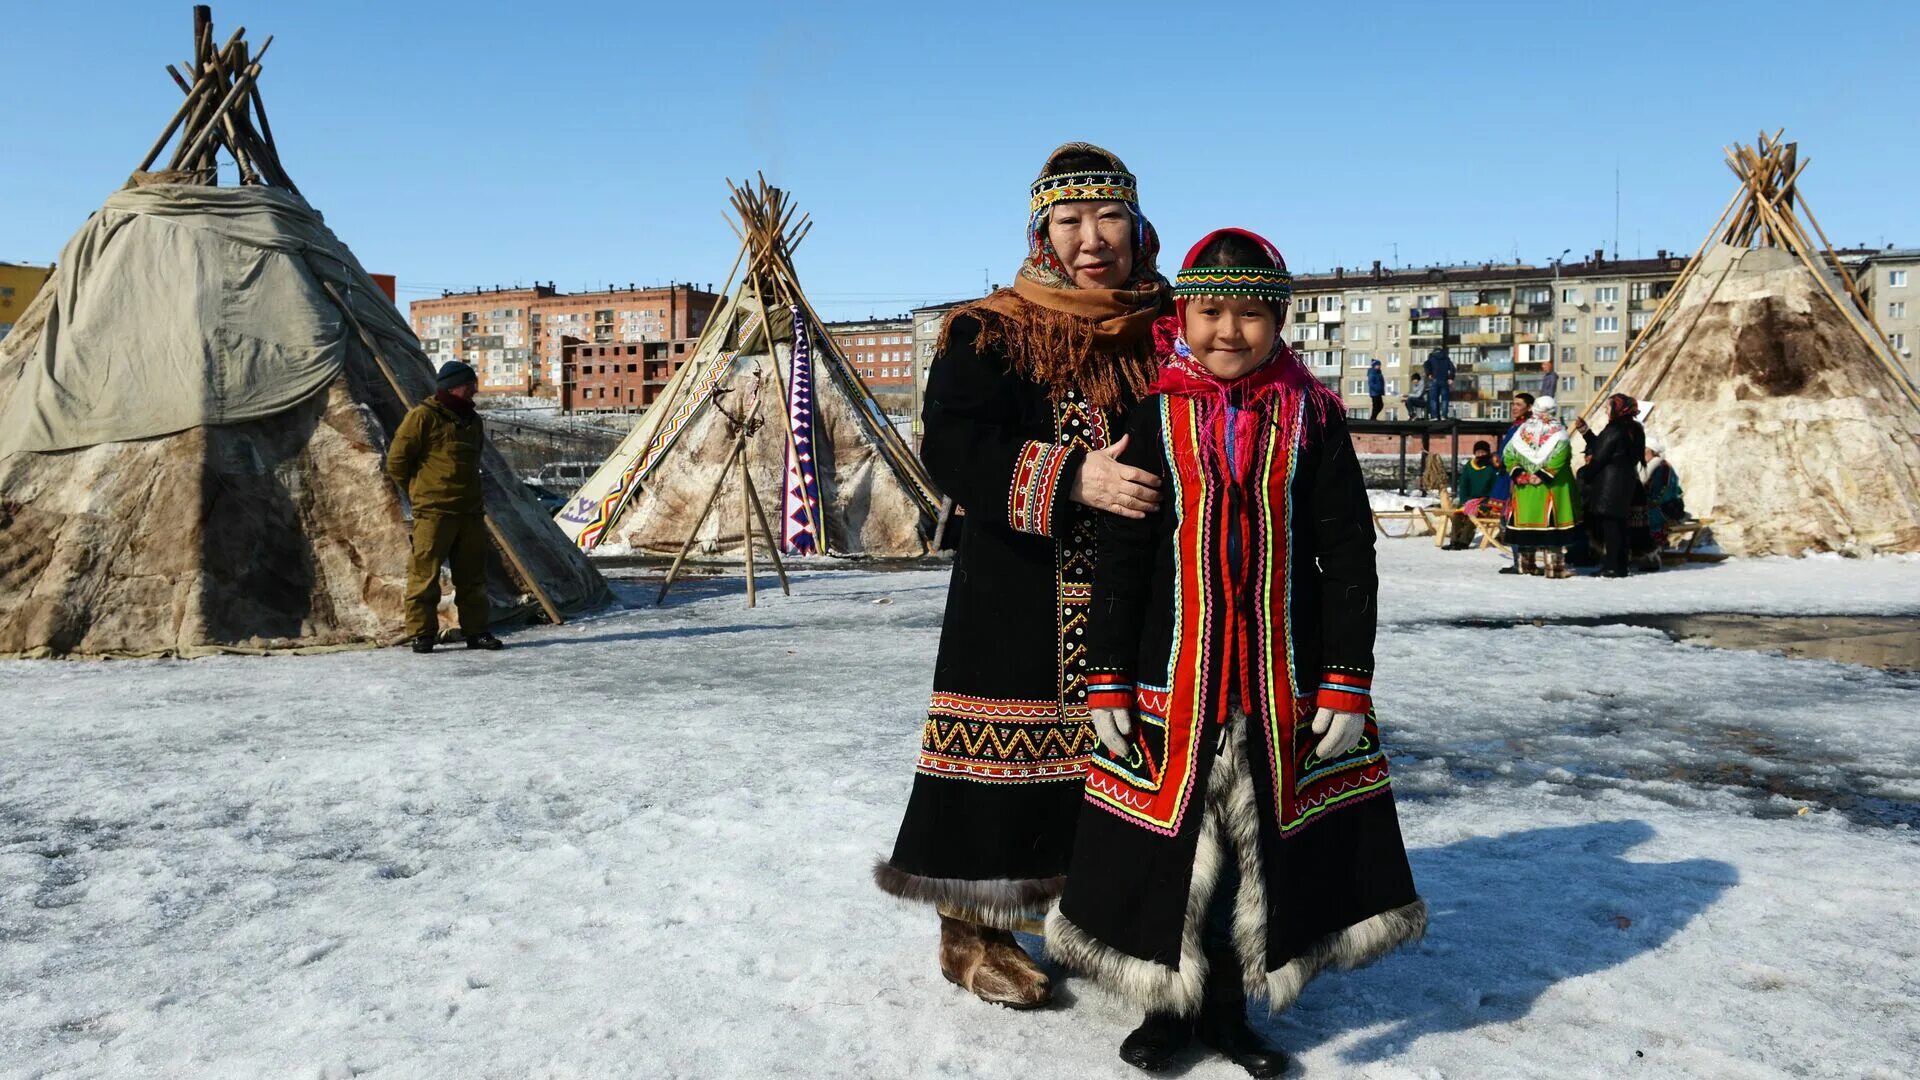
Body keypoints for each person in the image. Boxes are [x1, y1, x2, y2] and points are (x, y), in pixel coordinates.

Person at [1050, 229, 1423, 1077]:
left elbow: (1348, 558)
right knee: (1167, 847)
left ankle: (1226, 1011)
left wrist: (1346, 680)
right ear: (1183, 315)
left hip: (1277, 683)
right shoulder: (1155, 416)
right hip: (1166, 680)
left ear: (1279, 320)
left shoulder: (1313, 420)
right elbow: (1122, 559)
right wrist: (1104, 678)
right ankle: (1162, 1007)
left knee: (1255, 854)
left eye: (1250, 314)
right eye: (1210, 311)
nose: (1228, 331)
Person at [876, 143, 1172, 1009]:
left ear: (1138, 226)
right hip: (1021, 583)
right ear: (1042, 233)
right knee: (1007, 752)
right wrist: (1071, 476)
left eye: (1108, 217)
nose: (1092, 239)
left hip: (1141, 584)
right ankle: (971, 930)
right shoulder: (990, 328)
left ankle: (1102, 914)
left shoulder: (1171, 328)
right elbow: (951, 443)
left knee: (1127, 755)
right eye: (1070, 221)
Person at [384, 360, 503, 652]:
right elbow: (397, 462)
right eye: (469, 384)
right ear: (452, 386)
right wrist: (418, 491)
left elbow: (474, 459)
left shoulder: (473, 420)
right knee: (424, 576)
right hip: (434, 512)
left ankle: (476, 631)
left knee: (473, 578)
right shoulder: (422, 417)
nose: (474, 388)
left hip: (469, 511)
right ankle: (422, 633)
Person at [1501, 395, 1579, 577]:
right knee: (1552, 529)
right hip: (1552, 488)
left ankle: (1525, 565)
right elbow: (1561, 457)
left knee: (1526, 528)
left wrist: (1519, 474)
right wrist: (1543, 475)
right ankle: (1555, 568)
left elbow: (1509, 455)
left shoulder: (1522, 431)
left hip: (1525, 489)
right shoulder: (1559, 433)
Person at [1572, 394, 1647, 578]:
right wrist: (1585, 431)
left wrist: (1585, 474)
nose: (1606, 410)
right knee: (1619, 525)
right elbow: (1604, 446)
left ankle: (1612, 566)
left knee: (1611, 527)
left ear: (1618, 408)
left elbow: (1600, 455)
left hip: (1609, 484)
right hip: (1626, 481)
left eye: (1608, 407)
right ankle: (1620, 565)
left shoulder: (1615, 428)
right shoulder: (1635, 428)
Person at [1492, 393, 1532, 574]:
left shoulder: (1526, 428)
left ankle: (1523, 562)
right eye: (1513, 404)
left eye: (1518, 404)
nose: (1514, 407)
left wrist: (1505, 461)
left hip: (1516, 478)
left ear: (1529, 407)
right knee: (1508, 520)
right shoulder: (1515, 426)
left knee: (1515, 519)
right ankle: (1521, 561)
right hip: (1505, 475)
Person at [1640, 434, 1689, 565]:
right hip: (1656, 506)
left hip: (1664, 509)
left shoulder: (1662, 468)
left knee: (1639, 518)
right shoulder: (1649, 466)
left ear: (1652, 451)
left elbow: (1662, 494)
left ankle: (1649, 552)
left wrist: (1645, 502)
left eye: (1644, 449)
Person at [1446, 440, 1500, 549]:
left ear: (1487, 453)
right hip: (1470, 500)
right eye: (1478, 452)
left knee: (1473, 515)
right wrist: (1464, 501)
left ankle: (1464, 542)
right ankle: (1454, 541)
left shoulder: (1492, 468)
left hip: (1486, 501)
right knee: (1458, 514)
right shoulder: (1469, 466)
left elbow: (1496, 487)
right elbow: (1464, 485)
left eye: (1483, 452)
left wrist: (1487, 501)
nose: (1480, 454)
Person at [1422, 347, 1454, 420]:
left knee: (1433, 399)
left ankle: (1435, 416)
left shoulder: (1432, 357)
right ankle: (1444, 416)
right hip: (1444, 380)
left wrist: (1429, 374)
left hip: (1434, 380)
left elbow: (1425, 365)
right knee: (1445, 399)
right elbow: (1452, 368)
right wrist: (1451, 378)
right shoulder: (1446, 358)